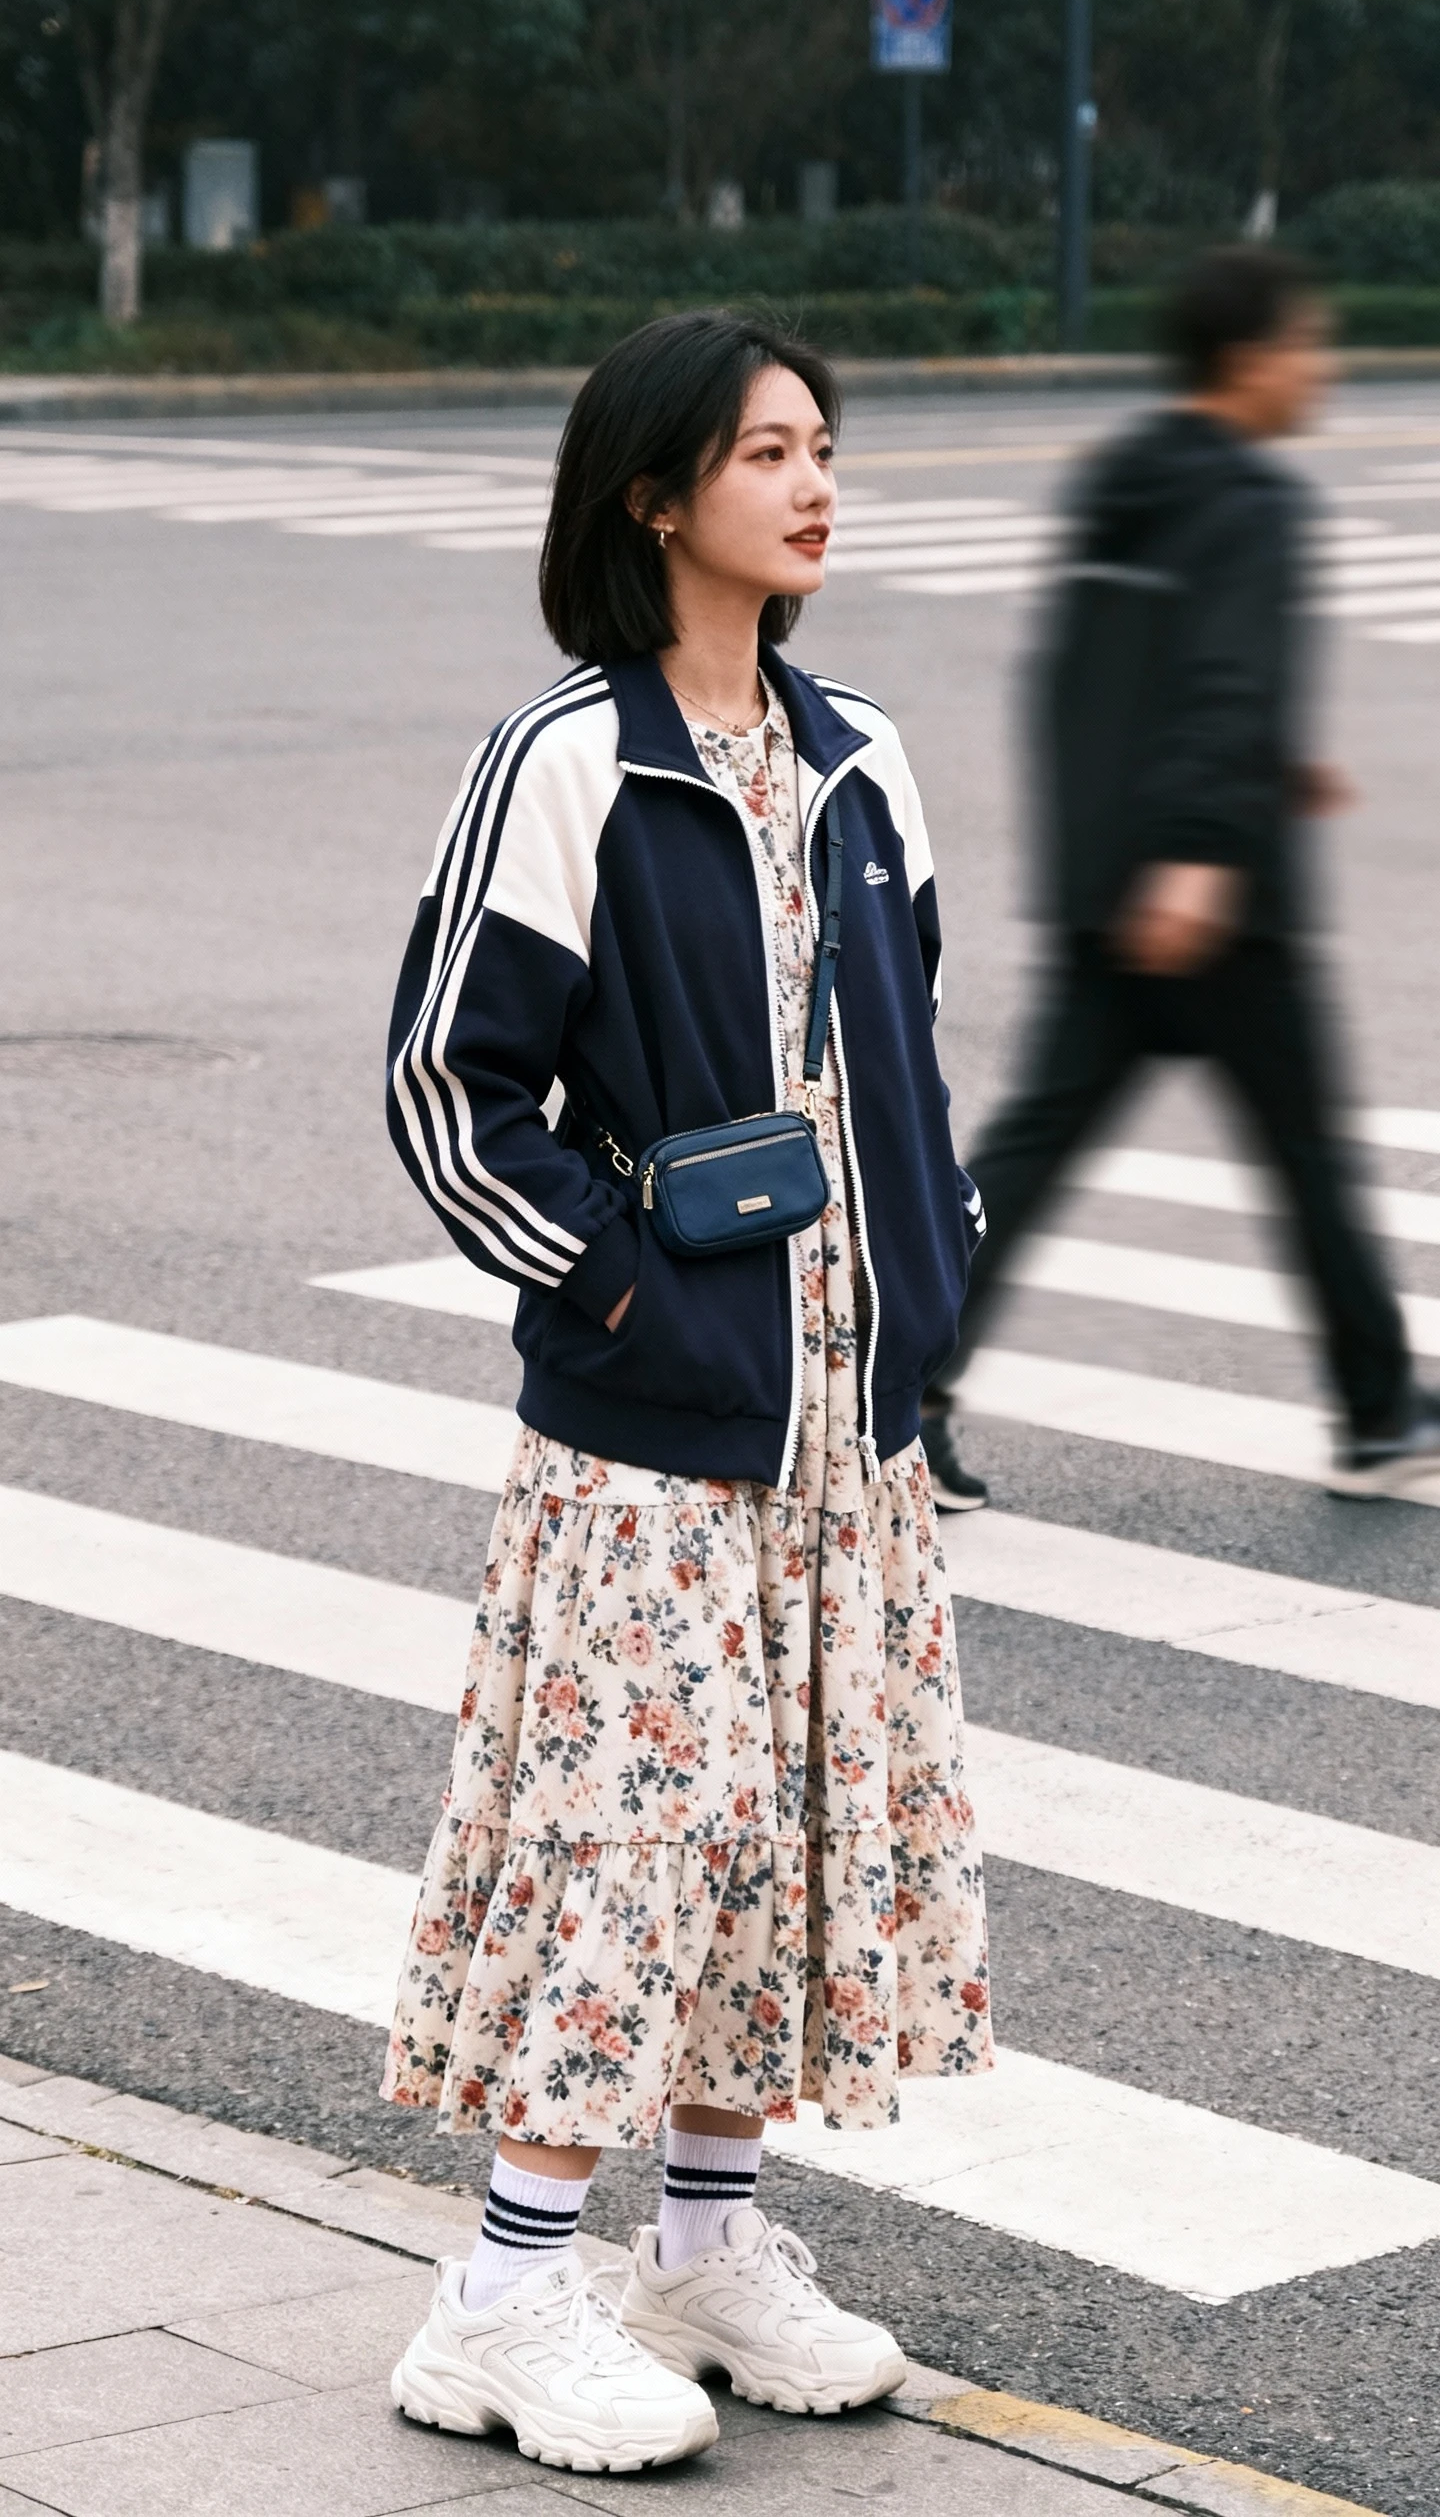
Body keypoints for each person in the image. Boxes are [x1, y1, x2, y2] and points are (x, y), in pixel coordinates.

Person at [381, 309, 993, 2473]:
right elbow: (455, 1097)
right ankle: (502, 2288)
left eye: (826, 445)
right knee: (646, 1837)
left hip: (849, 1421)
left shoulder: (860, 759)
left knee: (791, 1843)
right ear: (659, 494)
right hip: (656, 1420)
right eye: (767, 449)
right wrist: (629, 1296)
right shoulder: (570, 761)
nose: (815, 483)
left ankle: (705, 2242)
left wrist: (933, 1276)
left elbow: (900, 1061)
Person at [921, 246, 1440, 1513]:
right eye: (1310, 345)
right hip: (1219, 907)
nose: (1322, 369)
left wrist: (1186, 812)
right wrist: (1207, 847)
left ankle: (903, 1393)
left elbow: (1091, 678)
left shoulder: (1126, 476)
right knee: (1305, 1153)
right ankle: (1377, 1405)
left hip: (1109, 890)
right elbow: (1217, 676)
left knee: (1034, 1153)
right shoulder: (1255, 505)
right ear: (1253, 359)